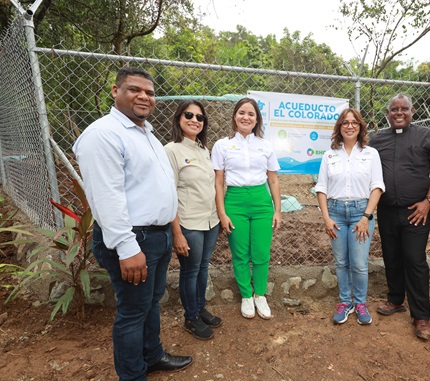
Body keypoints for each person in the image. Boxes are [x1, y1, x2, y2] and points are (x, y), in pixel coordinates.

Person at [73, 66, 192, 380]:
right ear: (115, 92)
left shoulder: (145, 133)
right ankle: (133, 374)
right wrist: (127, 248)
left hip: (158, 235)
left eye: (150, 92)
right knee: (132, 312)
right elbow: (105, 197)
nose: (144, 96)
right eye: (134, 90)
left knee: (151, 303)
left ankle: (152, 356)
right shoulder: (103, 135)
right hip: (133, 240)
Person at [369, 94, 430, 341]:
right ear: (387, 113)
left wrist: (428, 202)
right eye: (393, 109)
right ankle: (395, 300)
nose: (398, 113)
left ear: (413, 111)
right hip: (387, 210)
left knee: (415, 261)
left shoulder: (426, 136)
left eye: (404, 109)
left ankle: (421, 315)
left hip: (417, 212)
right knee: (391, 257)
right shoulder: (377, 140)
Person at [211, 97, 282, 320]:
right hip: (235, 201)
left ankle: (260, 294)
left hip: (261, 201)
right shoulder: (222, 145)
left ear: (257, 120)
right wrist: (222, 213)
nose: (246, 117)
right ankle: (246, 296)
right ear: (235, 116)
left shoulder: (265, 146)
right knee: (240, 252)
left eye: (251, 114)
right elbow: (219, 182)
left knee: (261, 252)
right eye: (242, 112)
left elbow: (273, 181)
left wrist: (277, 210)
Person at [315, 108, 385, 325]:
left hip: (360, 213)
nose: (350, 126)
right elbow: (322, 188)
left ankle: (361, 303)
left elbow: (377, 187)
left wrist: (366, 216)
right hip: (335, 212)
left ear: (360, 126)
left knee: (359, 263)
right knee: (341, 262)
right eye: (345, 122)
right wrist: (326, 218)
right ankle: (345, 302)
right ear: (339, 127)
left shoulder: (370, 153)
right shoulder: (329, 155)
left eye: (354, 122)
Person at [164, 101, 221, 341]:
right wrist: (176, 232)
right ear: (179, 118)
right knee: (190, 271)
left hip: (211, 221)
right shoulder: (171, 150)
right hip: (189, 223)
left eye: (200, 117)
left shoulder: (203, 149)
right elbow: (169, 193)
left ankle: (200, 309)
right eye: (189, 115)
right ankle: (191, 317)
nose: (195, 120)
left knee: (203, 266)